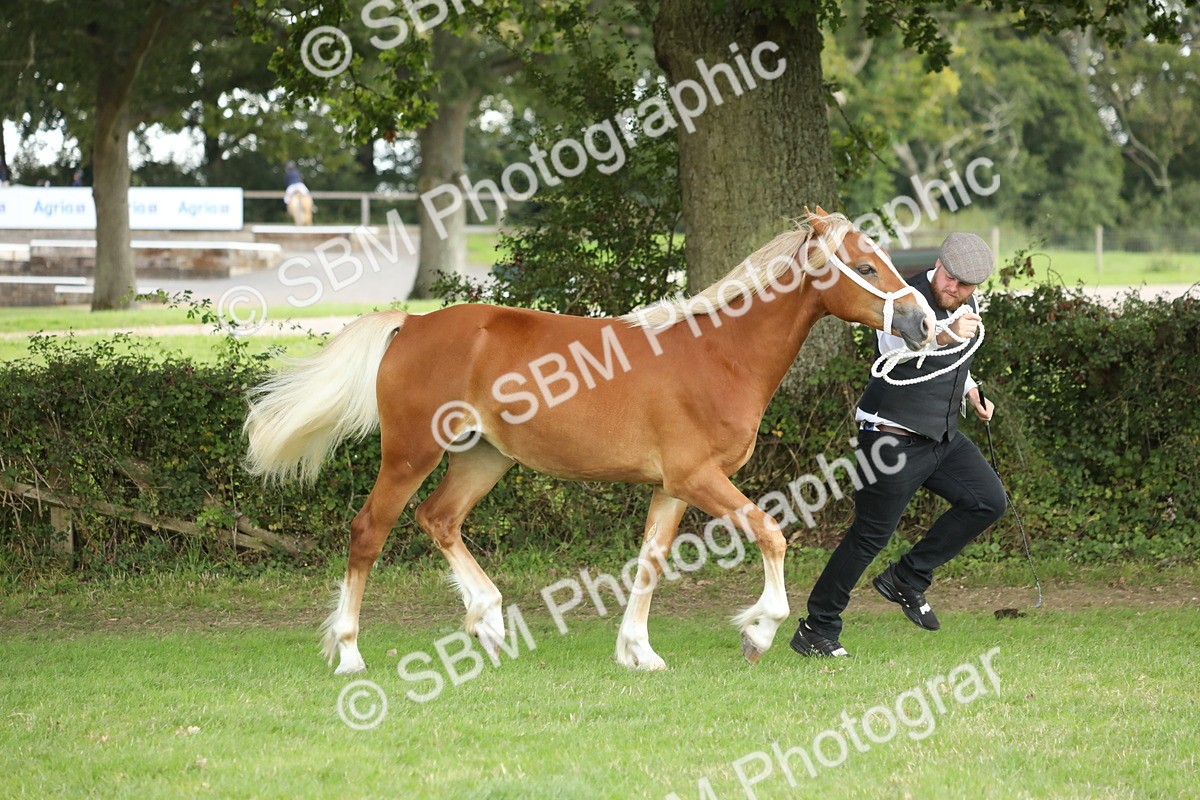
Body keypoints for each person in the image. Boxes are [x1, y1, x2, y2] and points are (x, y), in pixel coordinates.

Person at [790, 232, 1005, 658]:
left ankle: (907, 577)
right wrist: (946, 334)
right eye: (951, 280)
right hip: (891, 439)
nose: (955, 291)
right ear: (938, 265)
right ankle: (816, 627)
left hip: (940, 435)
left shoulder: (967, 306)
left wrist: (971, 392)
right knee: (869, 536)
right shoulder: (904, 295)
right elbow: (897, 349)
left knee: (987, 501)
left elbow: (956, 362)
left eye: (966, 287)